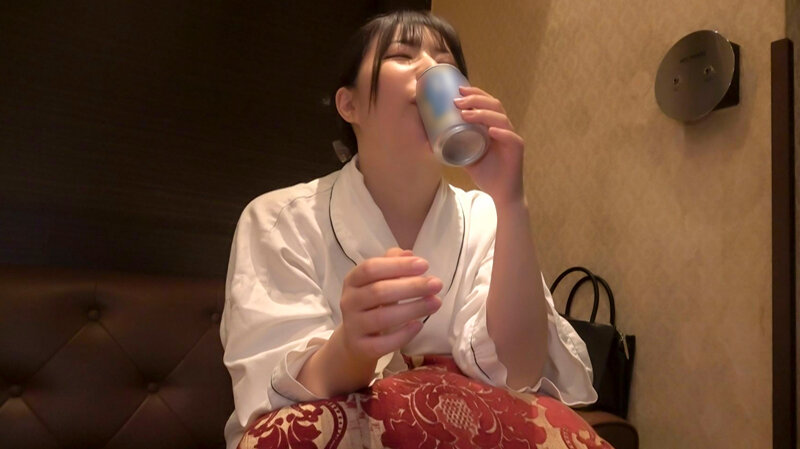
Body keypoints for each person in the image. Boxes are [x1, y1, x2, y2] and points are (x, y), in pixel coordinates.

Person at [220, 10, 596, 449]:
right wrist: (352, 346)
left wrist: (511, 202)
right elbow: (277, 395)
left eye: (446, 61)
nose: (432, 67)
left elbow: (519, 373)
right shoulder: (278, 219)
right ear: (349, 104)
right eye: (402, 55)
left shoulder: (487, 215)